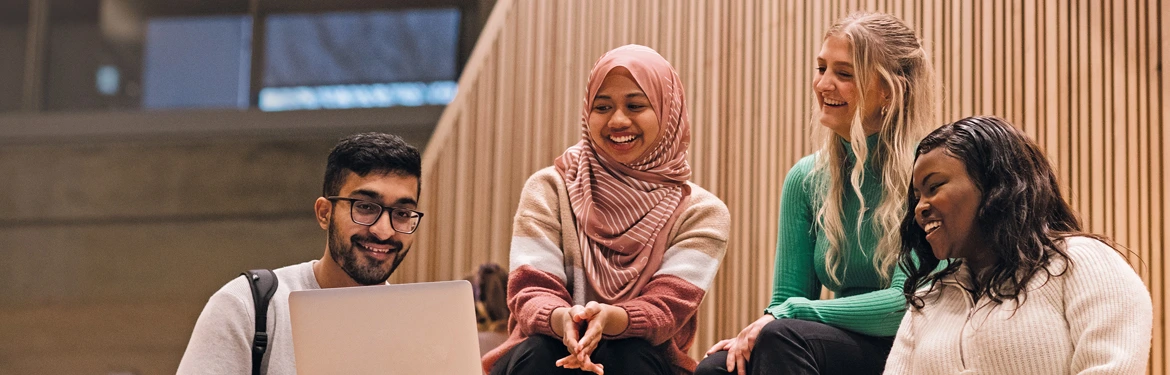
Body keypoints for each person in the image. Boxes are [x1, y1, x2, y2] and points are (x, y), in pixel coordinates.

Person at [697, 11, 938, 375]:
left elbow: (906, 306)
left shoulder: (927, 173)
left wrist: (790, 314)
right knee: (717, 368)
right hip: (831, 339)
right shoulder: (806, 177)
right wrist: (762, 328)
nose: (824, 84)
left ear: (888, 90)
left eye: (844, 74)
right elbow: (783, 301)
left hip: (910, 341)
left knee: (782, 336)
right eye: (821, 68)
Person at [481, 44, 730, 375]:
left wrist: (612, 320)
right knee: (541, 351)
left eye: (636, 105)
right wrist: (563, 321)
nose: (618, 120)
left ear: (668, 111)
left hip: (643, 360)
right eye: (602, 107)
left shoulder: (701, 213)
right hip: (546, 351)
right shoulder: (549, 190)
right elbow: (531, 291)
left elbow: (666, 308)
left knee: (631, 353)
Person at [884, 116, 1153, 374]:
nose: (920, 208)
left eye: (935, 187)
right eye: (917, 196)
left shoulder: (1084, 261)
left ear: (995, 186)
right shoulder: (929, 298)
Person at [176, 132, 424, 374]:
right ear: (324, 213)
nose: (383, 231)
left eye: (402, 214)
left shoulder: (422, 332)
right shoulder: (247, 307)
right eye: (365, 207)